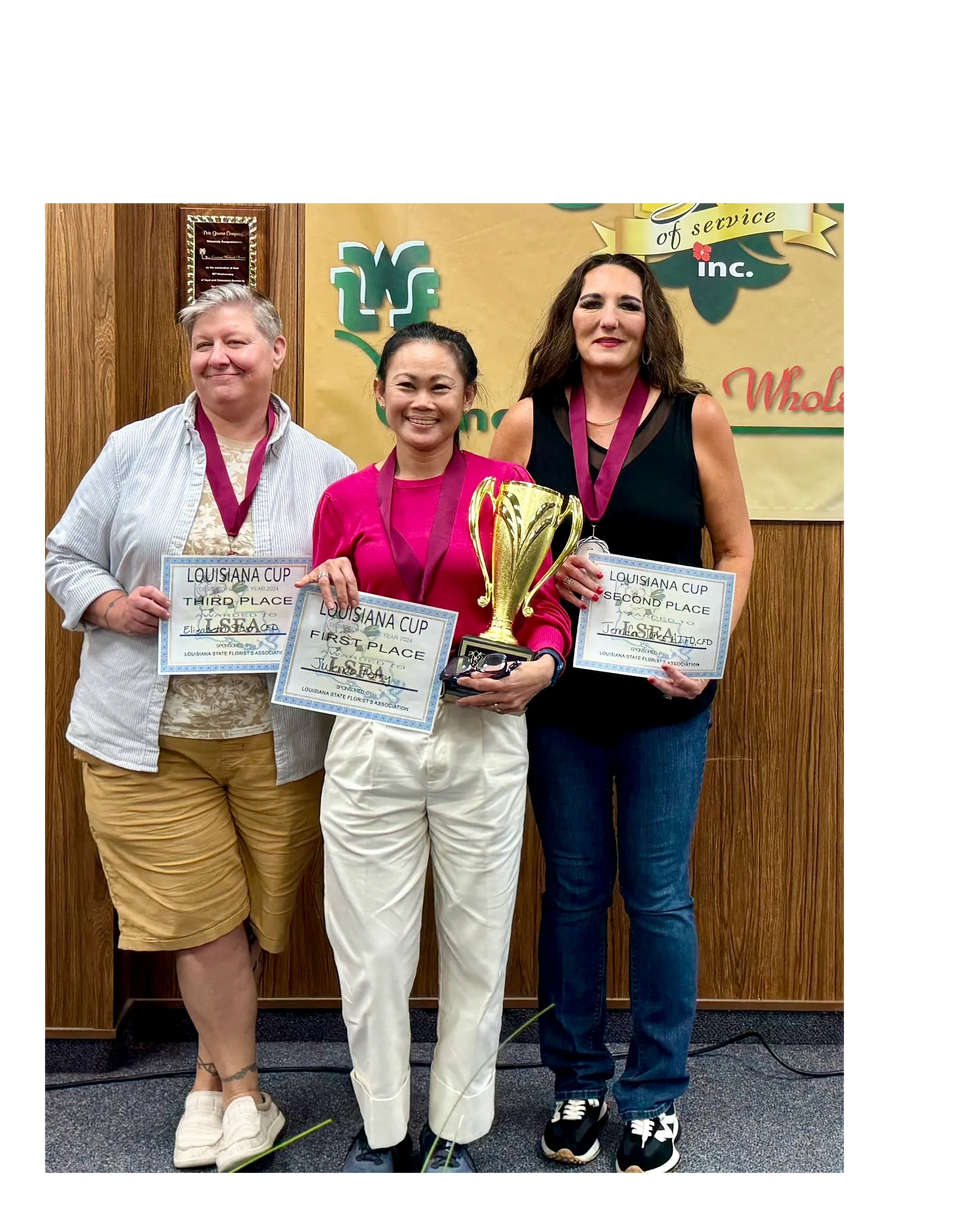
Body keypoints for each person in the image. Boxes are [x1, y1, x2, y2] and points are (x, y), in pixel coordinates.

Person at [42, 284, 355, 1175]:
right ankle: (244, 1089)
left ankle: (209, 1077)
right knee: (198, 916)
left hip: (278, 735)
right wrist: (106, 601)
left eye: (237, 343)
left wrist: (337, 581)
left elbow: (357, 579)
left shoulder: (330, 468)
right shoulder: (131, 450)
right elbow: (64, 554)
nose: (220, 357)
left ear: (277, 352)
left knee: (251, 911)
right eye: (204, 346)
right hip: (144, 733)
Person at [491, 252, 754, 1176]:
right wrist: (539, 572)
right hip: (557, 698)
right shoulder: (526, 418)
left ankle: (651, 1095)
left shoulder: (696, 416)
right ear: (569, 317)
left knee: (657, 897)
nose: (609, 318)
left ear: (652, 323)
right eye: (592, 302)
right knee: (569, 894)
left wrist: (709, 653)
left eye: (627, 305)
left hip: (664, 701)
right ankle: (574, 1079)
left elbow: (735, 544)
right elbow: (492, 557)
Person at [297, 321, 573, 1176]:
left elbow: (546, 608)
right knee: (373, 952)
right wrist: (324, 582)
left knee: (477, 939)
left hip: (481, 731)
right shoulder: (343, 499)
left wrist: (546, 664)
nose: (422, 401)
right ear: (380, 393)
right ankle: (381, 1129)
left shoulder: (510, 488)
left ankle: (456, 1127)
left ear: (467, 398)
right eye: (405, 384)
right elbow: (318, 618)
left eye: (440, 386)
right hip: (371, 738)